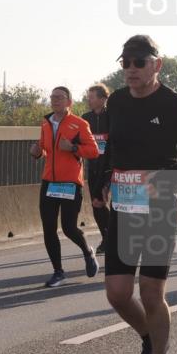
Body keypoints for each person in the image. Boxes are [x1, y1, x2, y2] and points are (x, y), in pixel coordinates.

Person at [94, 35, 177, 354]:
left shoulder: (172, 104)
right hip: (125, 206)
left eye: (138, 62)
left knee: (151, 291)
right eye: (125, 62)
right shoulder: (118, 102)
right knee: (116, 292)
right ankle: (149, 338)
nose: (130, 69)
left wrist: (162, 176)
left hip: (159, 206)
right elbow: (112, 144)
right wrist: (106, 179)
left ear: (156, 65)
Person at [30, 87, 101, 287]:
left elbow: (94, 151)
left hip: (70, 183)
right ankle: (58, 272)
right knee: (48, 229)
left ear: (69, 101)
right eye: (52, 97)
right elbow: (44, 149)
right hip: (49, 182)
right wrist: (36, 152)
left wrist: (73, 148)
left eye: (59, 97)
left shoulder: (79, 124)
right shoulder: (46, 122)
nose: (55, 100)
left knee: (69, 228)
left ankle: (88, 252)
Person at [82, 84, 111, 255]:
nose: (89, 100)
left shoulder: (113, 116)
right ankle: (107, 238)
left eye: (91, 97)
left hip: (112, 168)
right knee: (96, 204)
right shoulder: (86, 118)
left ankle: (113, 238)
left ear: (102, 98)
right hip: (93, 167)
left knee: (108, 203)